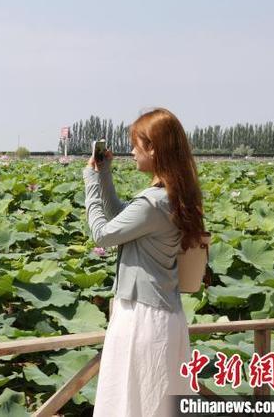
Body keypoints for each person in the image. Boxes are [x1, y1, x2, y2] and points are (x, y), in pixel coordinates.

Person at [83, 108, 204, 416]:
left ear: (154, 148)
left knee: (133, 402)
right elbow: (123, 219)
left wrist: (90, 183)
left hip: (142, 317)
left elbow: (102, 234)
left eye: (137, 143)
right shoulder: (173, 196)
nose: (132, 151)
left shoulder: (153, 203)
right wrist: (105, 173)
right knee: (155, 402)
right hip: (167, 313)